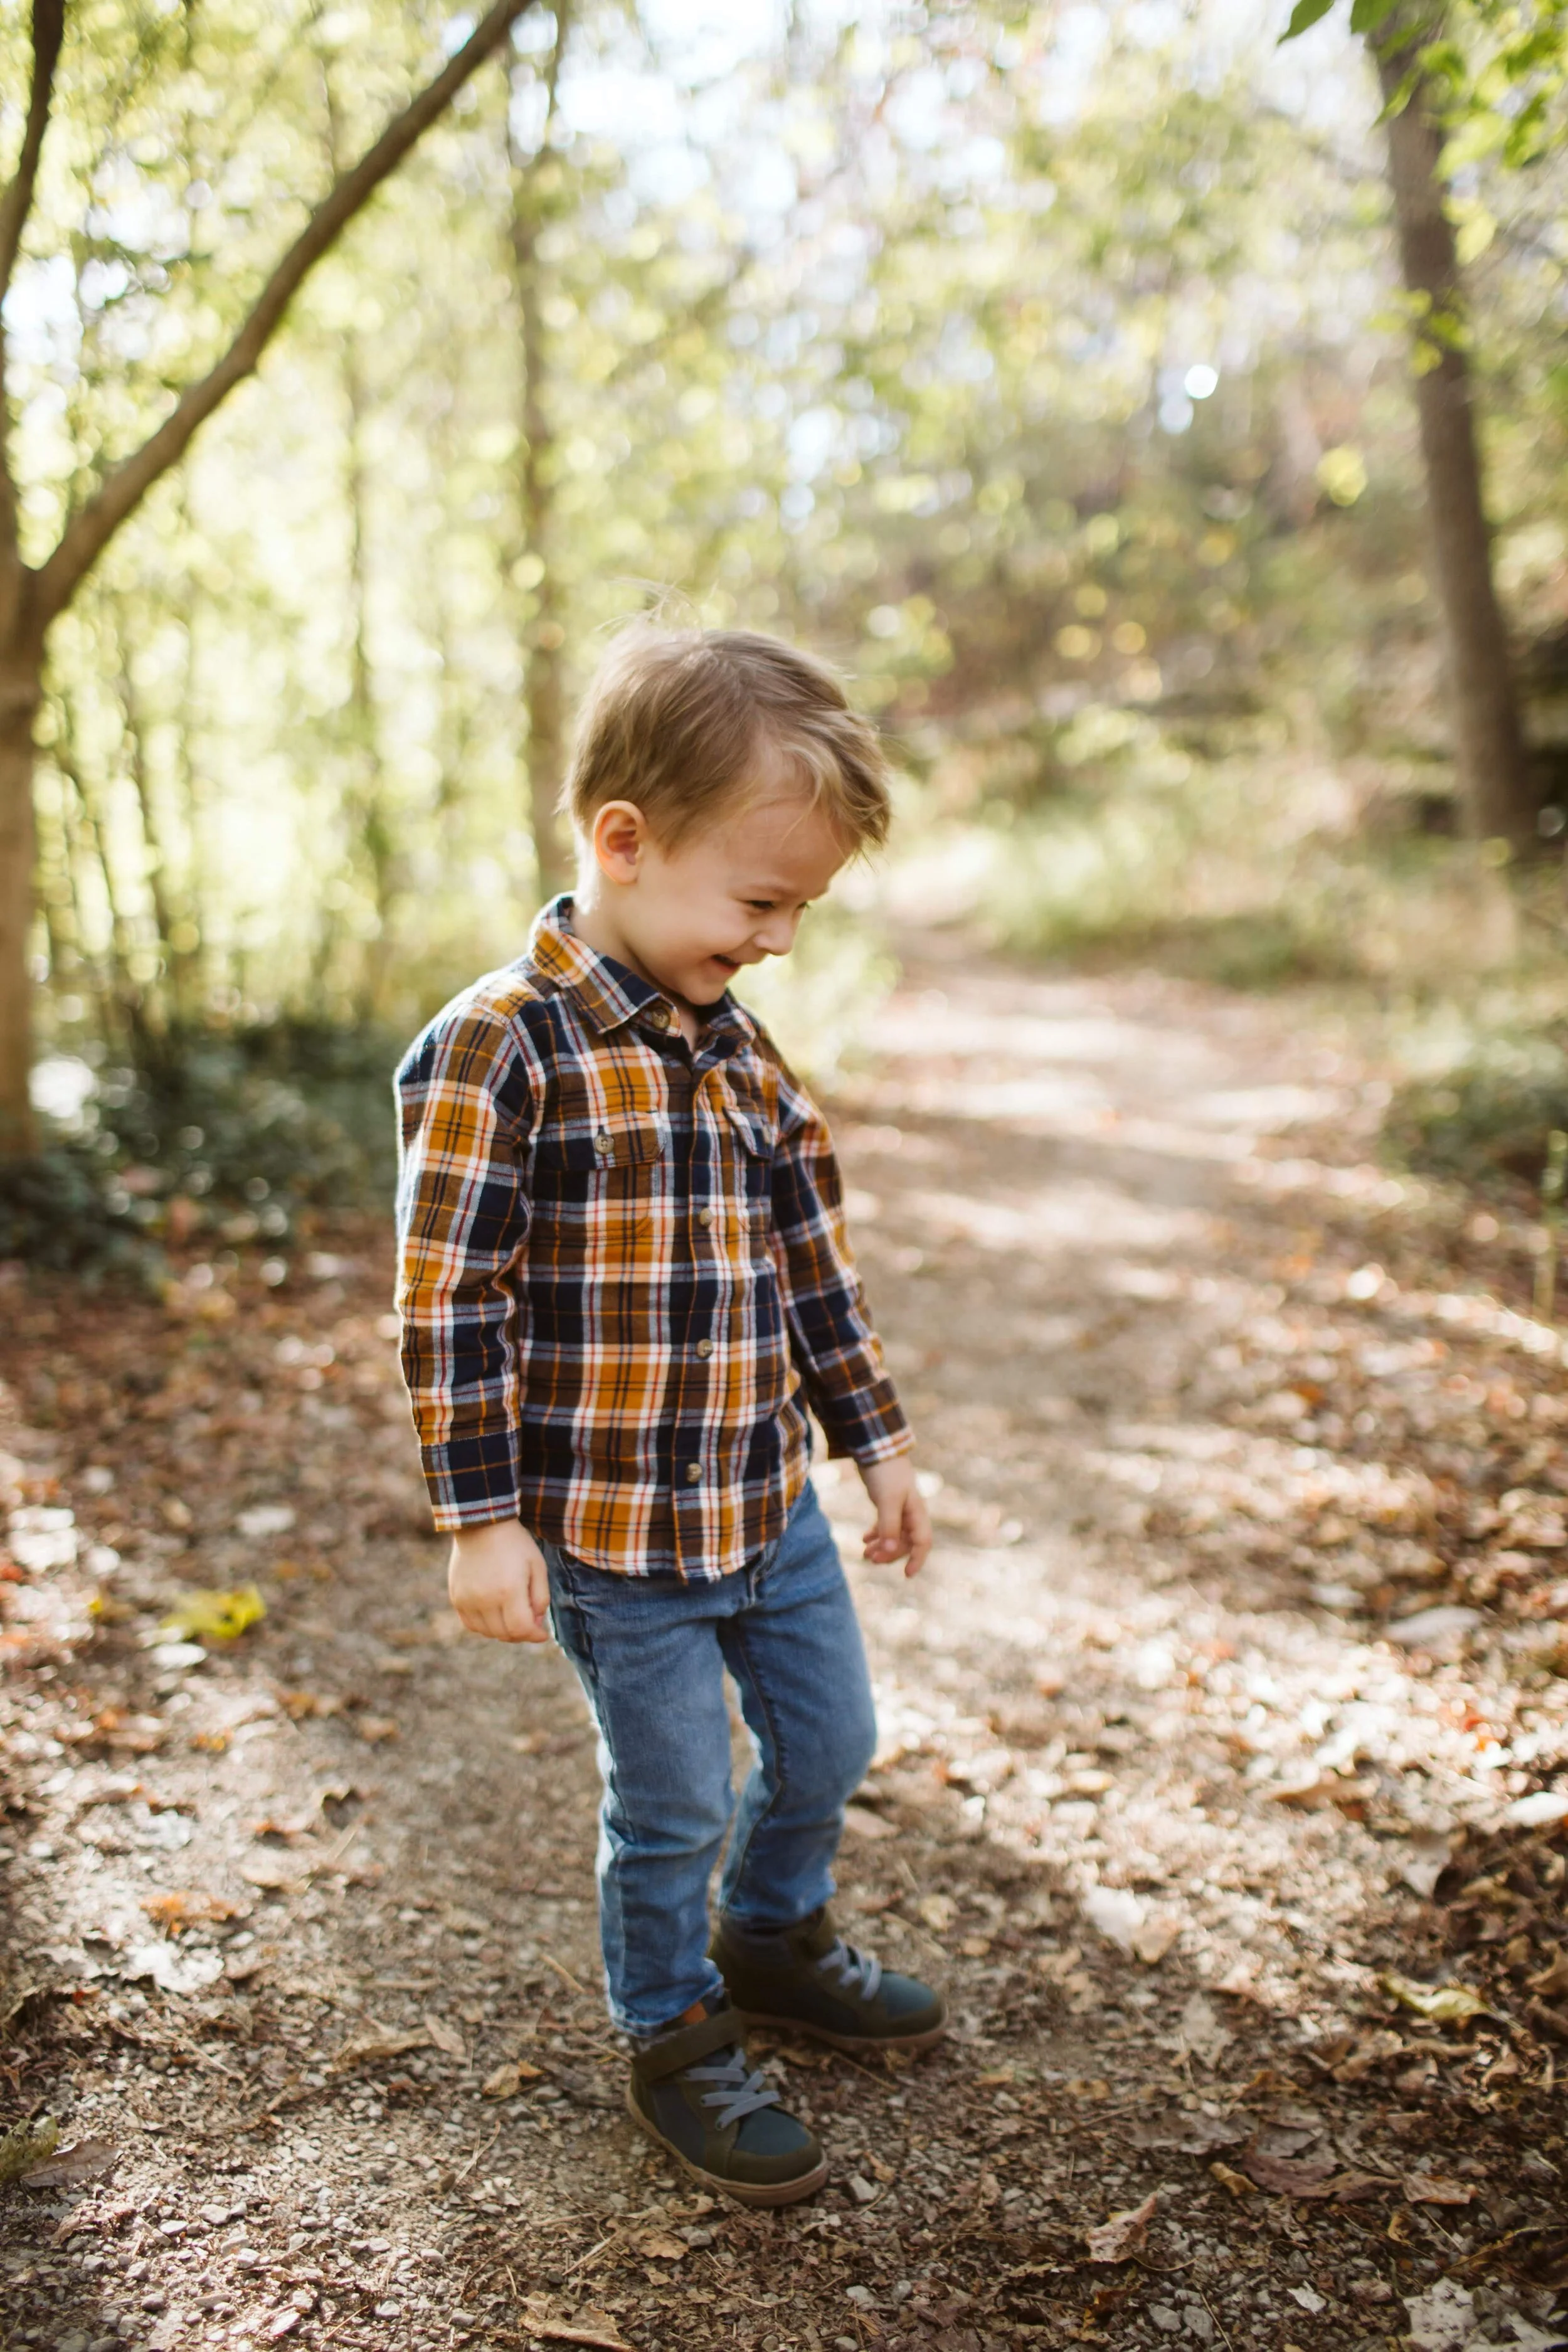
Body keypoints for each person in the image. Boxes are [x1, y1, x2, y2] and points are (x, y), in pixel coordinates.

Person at [393, 623, 944, 2207]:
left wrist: (875, 1441)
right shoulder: (501, 1049)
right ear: (621, 844)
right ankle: (674, 2025)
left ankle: (769, 1936)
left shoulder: (741, 1058)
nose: (775, 939)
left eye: (799, 911)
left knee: (832, 1738)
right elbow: (450, 1300)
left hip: (761, 1507)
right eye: (758, 902)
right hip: (612, 1535)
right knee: (673, 1799)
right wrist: (481, 1515)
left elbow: (808, 1270)